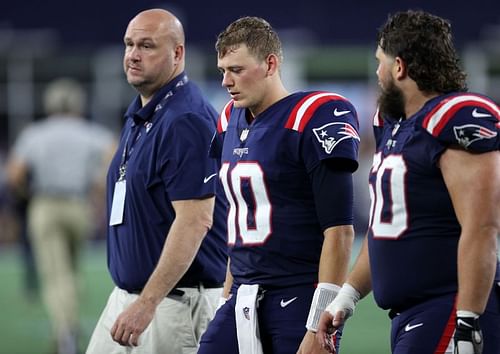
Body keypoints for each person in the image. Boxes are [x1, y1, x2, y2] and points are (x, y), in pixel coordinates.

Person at [317, 10, 500, 354]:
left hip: (448, 306)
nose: (376, 72)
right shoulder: (394, 126)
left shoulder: (452, 119)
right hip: (411, 315)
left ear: (398, 67)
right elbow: (387, 231)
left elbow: (482, 226)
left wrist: (468, 319)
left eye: (379, 62)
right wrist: (348, 295)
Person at [198, 16, 360, 354]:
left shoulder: (313, 114)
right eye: (223, 70)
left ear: (270, 63)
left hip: (298, 293)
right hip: (244, 293)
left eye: (237, 70)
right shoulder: (229, 117)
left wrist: (319, 322)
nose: (226, 81)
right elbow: (239, 221)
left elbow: (340, 231)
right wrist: (228, 294)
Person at [85, 8, 227, 354]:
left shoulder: (186, 119)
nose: (133, 55)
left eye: (147, 46)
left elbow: (195, 221)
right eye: (129, 44)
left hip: (170, 305)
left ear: (177, 53)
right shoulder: (144, 112)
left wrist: (147, 303)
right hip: (130, 299)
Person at [5, 77, 116, 354]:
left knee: (55, 275)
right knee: (73, 271)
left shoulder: (36, 133)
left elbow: (14, 173)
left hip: (46, 204)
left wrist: (27, 195)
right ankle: (67, 328)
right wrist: (96, 185)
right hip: (79, 205)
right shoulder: (90, 131)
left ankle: (65, 332)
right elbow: (114, 154)